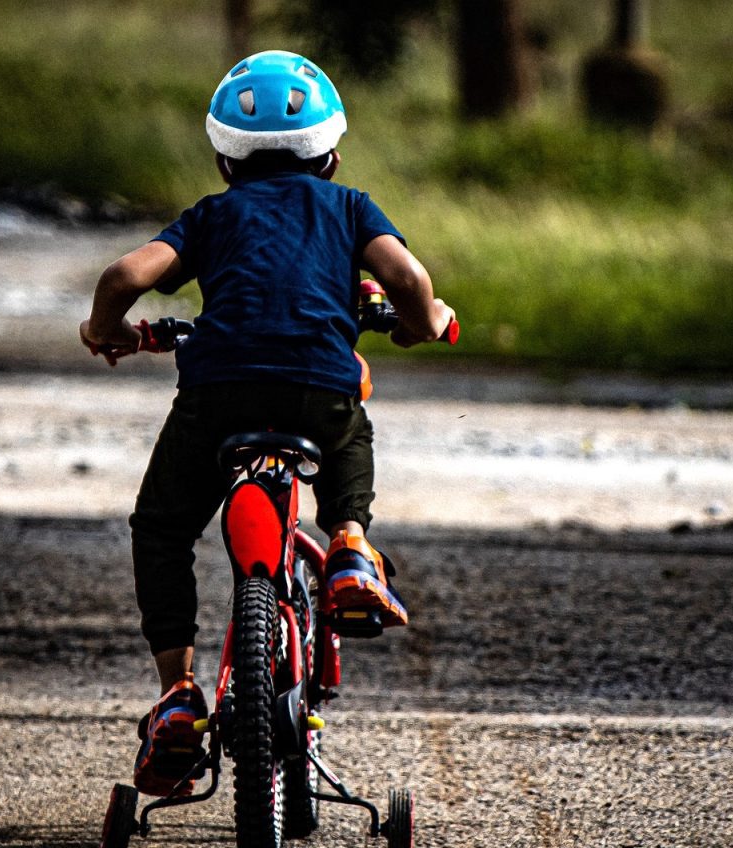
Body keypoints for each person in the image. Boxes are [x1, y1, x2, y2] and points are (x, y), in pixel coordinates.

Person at [79, 50, 454, 797]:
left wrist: (108, 329)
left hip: (219, 393)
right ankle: (349, 546)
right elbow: (408, 281)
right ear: (333, 156)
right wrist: (424, 319)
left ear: (224, 162)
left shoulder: (212, 216)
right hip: (316, 386)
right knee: (349, 426)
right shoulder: (351, 208)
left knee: (161, 528)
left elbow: (125, 276)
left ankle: (180, 696)